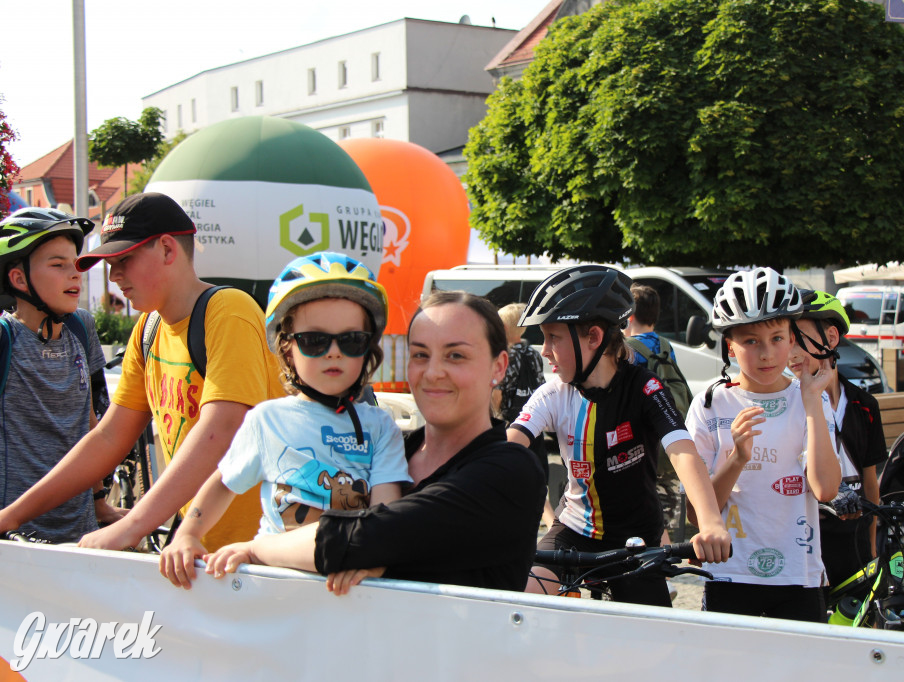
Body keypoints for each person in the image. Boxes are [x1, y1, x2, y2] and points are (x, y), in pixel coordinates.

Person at [193, 291, 547, 594]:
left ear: (499, 367)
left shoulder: (511, 469)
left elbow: (368, 538)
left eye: (456, 355)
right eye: (420, 354)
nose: (433, 372)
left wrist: (257, 550)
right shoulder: (387, 448)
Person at [0, 192, 285, 551]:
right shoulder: (148, 328)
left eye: (125, 259)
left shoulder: (228, 310)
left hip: (260, 552)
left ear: (168, 249)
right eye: (109, 262)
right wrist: (11, 516)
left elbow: (222, 428)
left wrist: (134, 525)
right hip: (199, 550)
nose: (114, 275)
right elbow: (109, 438)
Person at [160, 253, 410, 588]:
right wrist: (188, 533)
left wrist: (374, 560)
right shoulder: (267, 419)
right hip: (276, 582)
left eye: (351, 340)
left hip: (351, 585)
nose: (333, 352)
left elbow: (386, 510)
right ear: (287, 347)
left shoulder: (381, 427)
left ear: (368, 349)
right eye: (315, 340)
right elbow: (223, 482)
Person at [508, 265, 731, 607]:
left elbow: (682, 450)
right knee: (520, 601)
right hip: (575, 531)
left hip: (637, 539)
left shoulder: (645, 387)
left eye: (553, 337)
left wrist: (711, 521)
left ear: (594, 338)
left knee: (653, 646)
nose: (544, 351)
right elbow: (510, 448)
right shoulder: (554, 393)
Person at [688, 267, 839, 622]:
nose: (767, 354)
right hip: (730, 573)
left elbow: (826, 488)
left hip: (799, 577)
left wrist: (812, 402)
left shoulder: (811, 399)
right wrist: (737, 458)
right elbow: (697, 514)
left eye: (777, 338)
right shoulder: (710, 405)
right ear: (730, 346)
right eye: (751, 341)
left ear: (792, 340)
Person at [0, 208, 122, 542]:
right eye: (58, 265)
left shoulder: (81, 327)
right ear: (19, 279)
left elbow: (89, 420)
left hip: (80, 533)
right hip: (14, 538)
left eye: (76, 263)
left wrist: (100, 503)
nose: (75, 275)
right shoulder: (4, 338)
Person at [788, 290, 885, 588]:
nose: (790, 352)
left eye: (797, 337)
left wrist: (873, 548)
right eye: (783, 339)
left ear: (831, 337)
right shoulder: (784, 403)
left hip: (853, 539)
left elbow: (871, 483)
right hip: (803, 537)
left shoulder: (864, 405)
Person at [625, 283, 693, 544]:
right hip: (668, 431)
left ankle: (658, 566)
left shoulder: (628, 348)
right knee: (661, 505)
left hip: (642, 437)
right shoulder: (665, 346)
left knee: (645, 506)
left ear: (628, 316)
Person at [494, 302, 553, 526]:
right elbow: (541, 386)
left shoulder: (506, 356)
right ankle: (546, 521)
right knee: (535, 473)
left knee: (508, 471)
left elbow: (499, 391)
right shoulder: (533, 353)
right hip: (533, 420)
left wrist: (496, 416)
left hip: (512, 422)